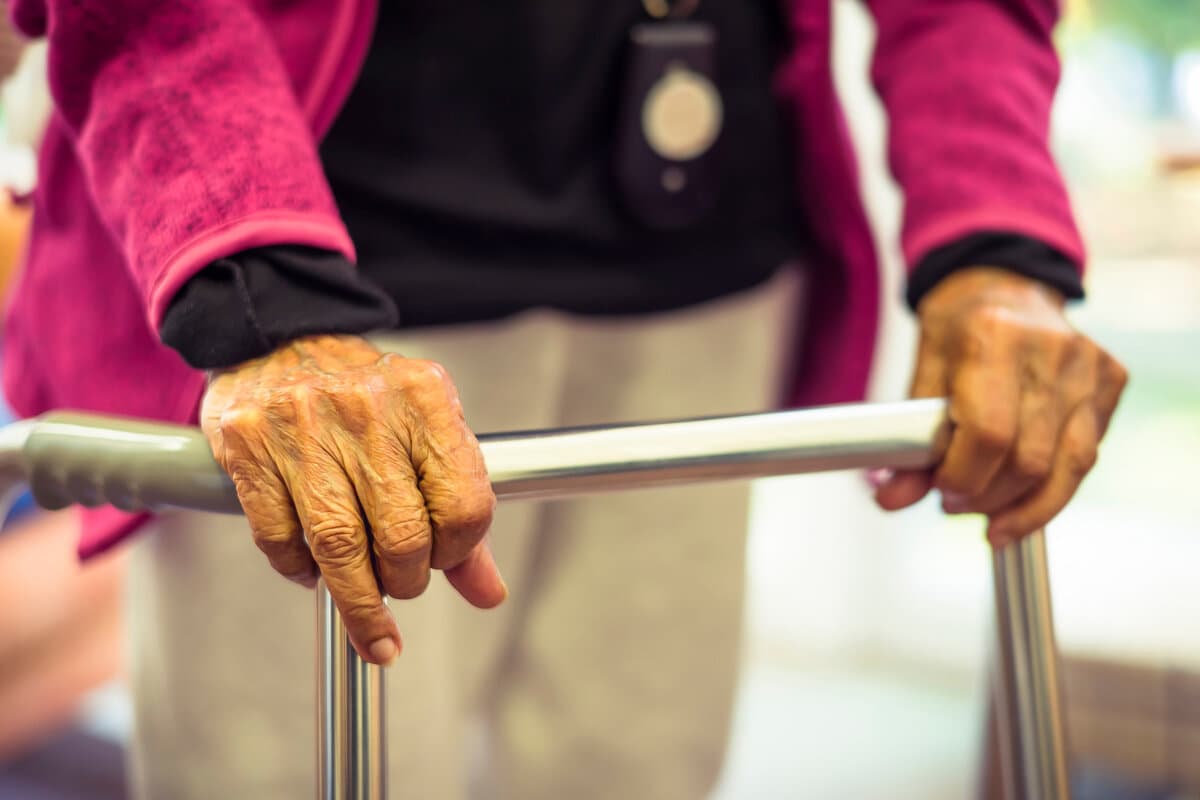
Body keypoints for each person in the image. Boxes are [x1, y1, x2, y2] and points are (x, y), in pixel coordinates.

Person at [3, 1, 1127, 798]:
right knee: (292, 774)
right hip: (320, 286)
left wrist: (997, 240)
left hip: (700, 286)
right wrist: (257, 289)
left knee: (638, 766)